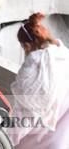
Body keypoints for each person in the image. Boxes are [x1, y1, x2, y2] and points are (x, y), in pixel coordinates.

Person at [10, 12, 69, 148]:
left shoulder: (33, 63)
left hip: (38, 127)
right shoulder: (64, 54)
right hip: (63, 119)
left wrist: (10, 137)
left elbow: (27, 104)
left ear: (26, 45)